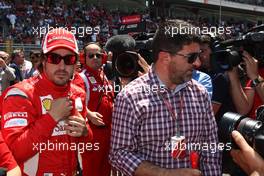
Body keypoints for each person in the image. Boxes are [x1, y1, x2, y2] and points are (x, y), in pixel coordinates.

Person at [110, 20, 221, 176]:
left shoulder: (200, 93)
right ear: (165, 57)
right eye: (191, 57)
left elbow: (211, 149)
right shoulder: (130, 97)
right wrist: (166, 174)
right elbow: (119, 154)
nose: (197, 62)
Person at [1, 28, 92, 175]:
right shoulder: (19, 94)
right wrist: (51, 117)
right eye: (54, 58)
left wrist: (86, 132)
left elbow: (86, 145)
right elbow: (13, 153)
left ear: (76, 62)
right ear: (43, 60)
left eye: (69, 59)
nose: (62, 66)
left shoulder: (78, 93)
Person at [73, 42, 114, 176]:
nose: (95, 58)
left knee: (106, 170)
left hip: (108, 132)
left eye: (98, 55)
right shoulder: (81, 77)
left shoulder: (104, 75)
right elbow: (73, 100)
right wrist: (89, 114)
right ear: (83, 58)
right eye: (91, 55)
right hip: (92, 134)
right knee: (91, 170)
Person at [228, 51, 264, 119]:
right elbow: (243, 110)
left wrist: (255, 77)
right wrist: (232, 72)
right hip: (254, 126)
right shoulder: (254, 71)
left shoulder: (254, 74)